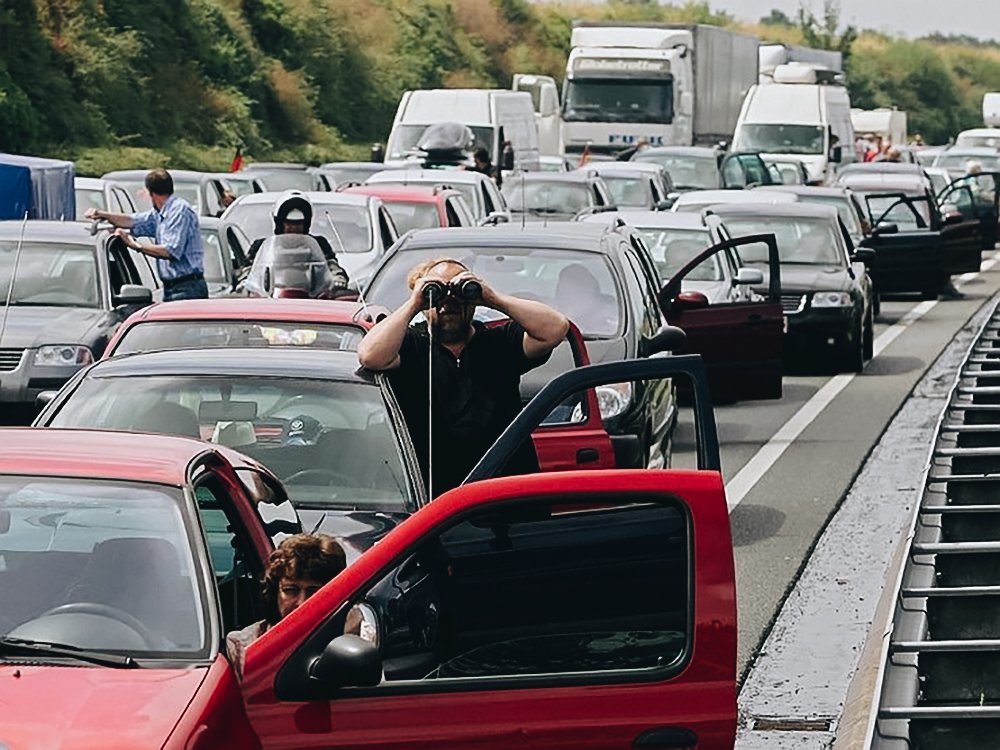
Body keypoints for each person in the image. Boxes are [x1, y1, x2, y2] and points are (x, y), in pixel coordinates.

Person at [357, 257, 570, 496]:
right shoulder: (411, 346)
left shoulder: (499, 342)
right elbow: (369, 356)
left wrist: (493, 298)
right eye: (438, 296)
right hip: (433, 496)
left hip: (503, 491)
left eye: (459, 296)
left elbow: (556, 329)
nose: (449, 304)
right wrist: (414, 303)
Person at [226, 532, 347, 679]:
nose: (302, 603)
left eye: (313, 591)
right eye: (291, 591)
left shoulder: (353, 632)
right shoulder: (245, 644)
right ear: (275, 592)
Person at [85, 168, 207, 301]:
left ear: (151, 193)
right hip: (172, 288)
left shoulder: (179, 212)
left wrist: (135, 245)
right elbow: (132, 221)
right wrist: (103, 214)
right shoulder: (159, 213)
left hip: (188, 288)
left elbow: (169, 251)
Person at [247, 191, 350, 289]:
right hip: (270, 298)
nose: (294, 228)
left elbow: (332, 267)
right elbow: (247, 272)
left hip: (312, 297)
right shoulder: (261, 246)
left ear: (306, 224)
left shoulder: (320, 245)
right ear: (280, 223)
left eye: (298, 223)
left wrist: (337, 281)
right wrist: (246, 283)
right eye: (289, 223)